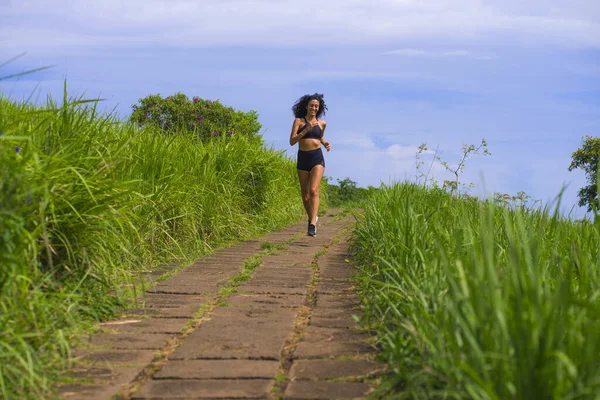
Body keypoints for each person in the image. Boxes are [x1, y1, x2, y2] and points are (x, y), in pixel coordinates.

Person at [289, 93, 331, 237]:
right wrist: (306, 129)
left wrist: (325, 143)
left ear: (319, 108)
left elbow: (320, 136)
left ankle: (312, 224)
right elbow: (292, 141)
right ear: (306, 106)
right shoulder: (299, 121)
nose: (314, 108)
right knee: (305, 196)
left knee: (313, 190)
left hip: (317, 158)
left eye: (316, 106)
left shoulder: (322, 123)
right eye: (312, 105)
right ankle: (312, 217)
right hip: (303, 158)